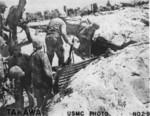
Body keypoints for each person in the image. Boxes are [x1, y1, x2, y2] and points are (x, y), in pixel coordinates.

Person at [30, 39, 53, 109]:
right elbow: (47, 70)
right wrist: (51, 80)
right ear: (41, 45)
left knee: (39, 101)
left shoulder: (32, 55)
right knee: (49, 103)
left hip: (36, 82)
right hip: (44, 82)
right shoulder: (43, 55)